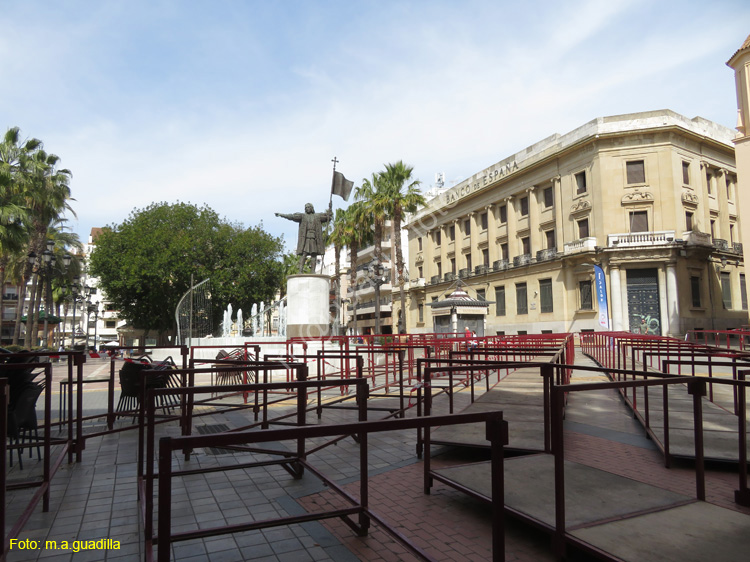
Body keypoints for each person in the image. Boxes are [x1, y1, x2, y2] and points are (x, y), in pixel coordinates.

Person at [275, 203, 332, 273]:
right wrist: (281, 215)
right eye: (306, 207)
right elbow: (292, 216)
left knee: (314, 254)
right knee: (304, 254)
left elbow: (328, 218)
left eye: (309, 207)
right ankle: (300, 270)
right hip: (306, 238)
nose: (307, 208)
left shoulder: (317, 216)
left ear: (312, 208)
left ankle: (312, 271)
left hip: (314, 238)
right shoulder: (302, 216)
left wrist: (330, 209)